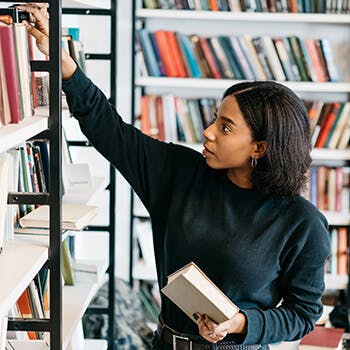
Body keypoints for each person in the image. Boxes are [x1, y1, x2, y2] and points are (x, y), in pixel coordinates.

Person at [19, 4, 330, 350]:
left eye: (225, 128)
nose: (208, 133)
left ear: (259, 147)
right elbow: (111, 130)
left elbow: (303, 314)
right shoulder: (180, 172)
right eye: (214, 118)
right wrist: (65, 67)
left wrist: (241, 322)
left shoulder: (302, 222)